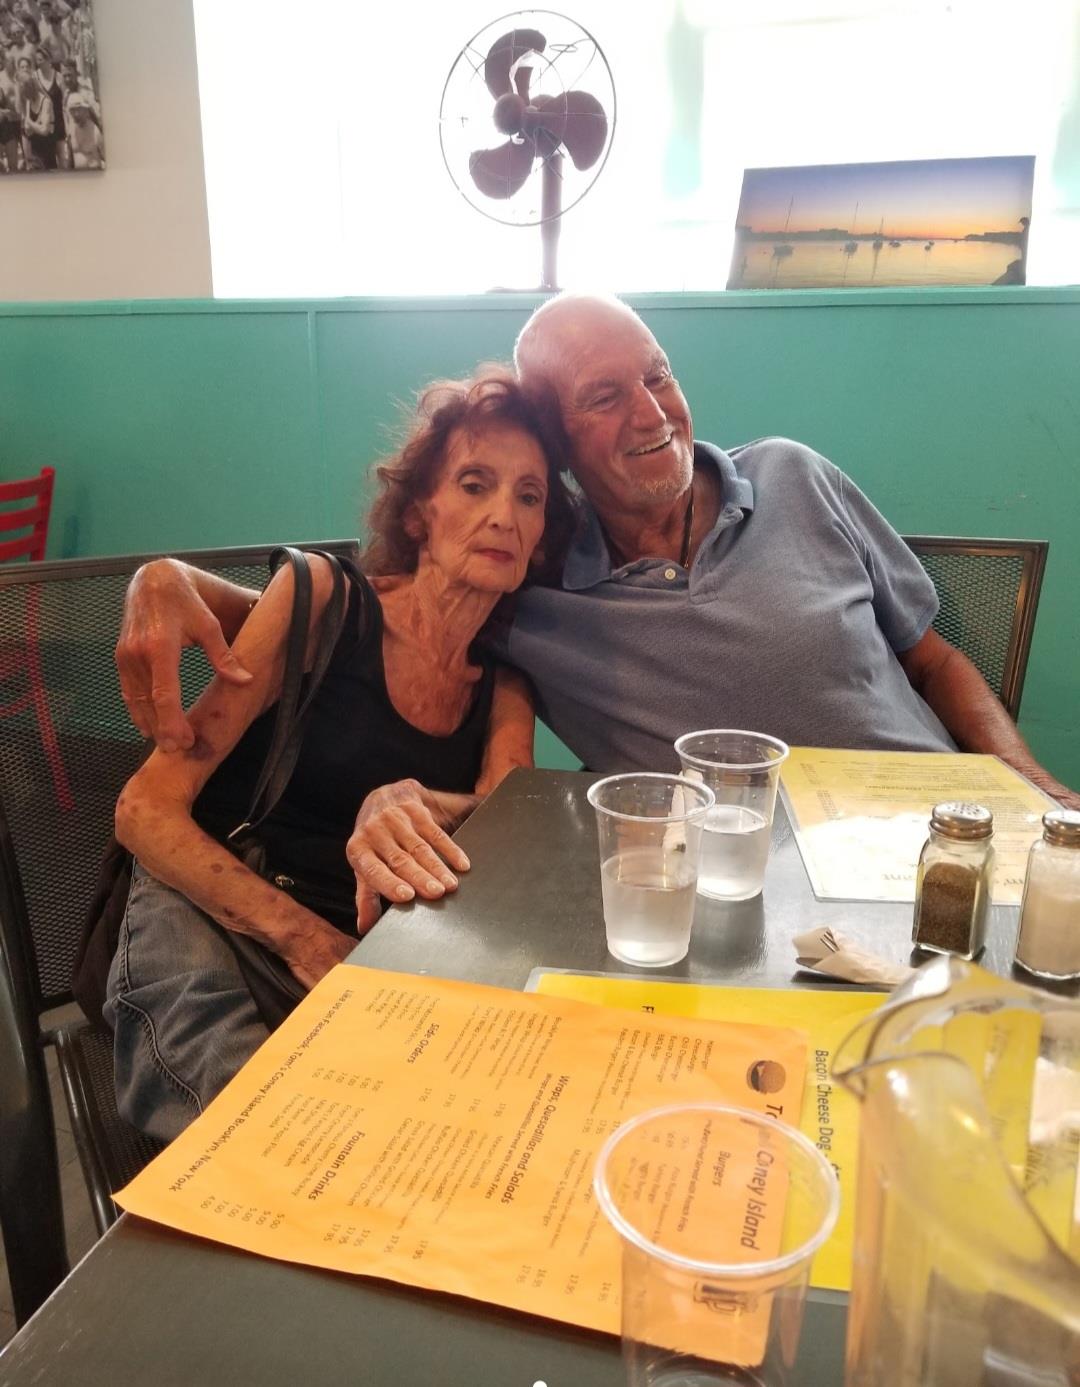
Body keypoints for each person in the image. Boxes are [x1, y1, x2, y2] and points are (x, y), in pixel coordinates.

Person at [114, 294, 1079, 910]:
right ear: (560, 450)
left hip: (950, 845)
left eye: (657, 375)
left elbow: (934, 658)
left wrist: (1028, 784)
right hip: (747, 892)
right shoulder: (531, 593)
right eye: (605, 396)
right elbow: (357, 621)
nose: (653, 412)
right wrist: (172, 578)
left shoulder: (796, 475)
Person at [103, 368, 574, 1141]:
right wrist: (304, 939)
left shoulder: (504, 681)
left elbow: (506, 812)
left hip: (360, 940)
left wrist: (418, 800)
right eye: (475, 484)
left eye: (529, 496)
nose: (504, 515)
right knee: (258, 1139)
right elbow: (144, 809)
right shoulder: (322, 597)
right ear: (420, 514)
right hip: (213, 895)